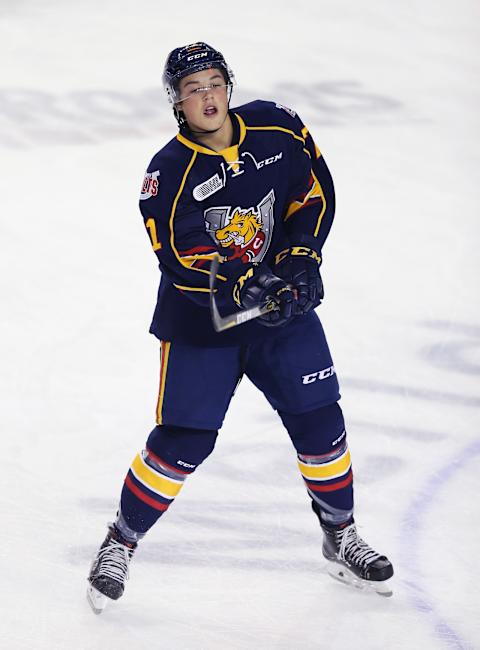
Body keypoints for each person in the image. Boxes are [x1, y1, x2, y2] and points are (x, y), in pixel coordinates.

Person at [87, 42, 394, 613]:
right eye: (192, 89)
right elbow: (181, 258)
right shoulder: (167, 172)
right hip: (205, 326)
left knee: (321, 421)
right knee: (185, 441)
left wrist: (302, 256)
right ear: (177, 102)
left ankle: (339, 532)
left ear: (229, 85)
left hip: (283, 316)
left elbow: (314, 192)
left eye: (214, 83)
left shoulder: (277, 128)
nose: (207, 97)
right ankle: (120, 542)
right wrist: (249, 287)